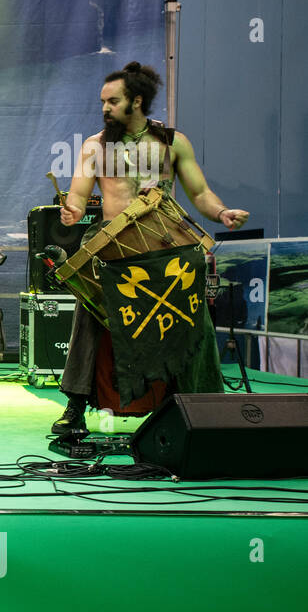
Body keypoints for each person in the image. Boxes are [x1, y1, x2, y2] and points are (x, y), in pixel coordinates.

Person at [51, 62, 248, 434]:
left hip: (166, 244)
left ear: (137, 101)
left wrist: (221, 212)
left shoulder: (173, 142)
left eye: (113, 101)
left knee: (192, 320)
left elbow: (200, 193)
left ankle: (204, 404)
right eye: (103, 101)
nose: (105, 108)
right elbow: (78, 195)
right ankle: (75, 404)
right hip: (112, 245)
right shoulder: (95, 146)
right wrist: (72, 211)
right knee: (91, 316)